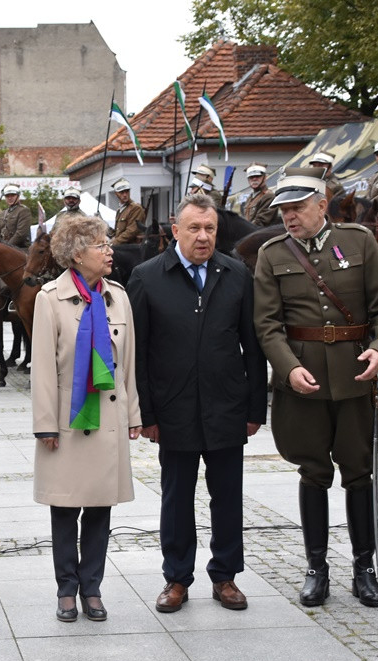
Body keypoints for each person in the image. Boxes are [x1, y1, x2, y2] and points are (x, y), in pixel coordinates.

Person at [253, 167, 378, 608]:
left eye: (297, 208)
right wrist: (288, 368)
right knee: (313, 474)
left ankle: (364, 568)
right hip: (305, 383)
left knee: (359, 473)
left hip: (357, 378)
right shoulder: (271, 253)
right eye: (283, 210)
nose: (289, 218)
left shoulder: (359, 242)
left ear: (322, 204)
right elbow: (267, 324)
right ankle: (316, 568)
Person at [127, 194, 268, 613]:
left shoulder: (236, 274)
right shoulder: (147, 277)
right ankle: (176, 578)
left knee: (227, 496)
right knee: (176, 498)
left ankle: (225, 576)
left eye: (209, 229)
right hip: (173, 410)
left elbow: (253, 346)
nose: (203, 236)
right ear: (175, 230)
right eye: (194, 228)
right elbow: (139, 353)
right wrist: (146, 413)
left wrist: (255, 410)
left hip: (227, 406)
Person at [30, 215, 142, 623]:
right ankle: (66, 589)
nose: (109, 250)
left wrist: (133, 414)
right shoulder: (49, 298)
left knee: (99, 507)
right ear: (77, 255)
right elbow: (42, 366)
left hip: (109, 418)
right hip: (67, 420)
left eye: (108, 243)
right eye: (100, 245)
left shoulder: (118, 297)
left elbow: (126, 365)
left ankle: (92, 588)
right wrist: (45, 424)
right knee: (65, 507)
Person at [110, 179, 146, 245]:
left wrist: (114, 243)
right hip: (121, 246)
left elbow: (131, 231)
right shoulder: (120, 210)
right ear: (116, 193)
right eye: (121, 192)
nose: (125, 195)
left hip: (132, 247)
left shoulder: (136, 208)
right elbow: (117, 231)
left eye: (127, 191)